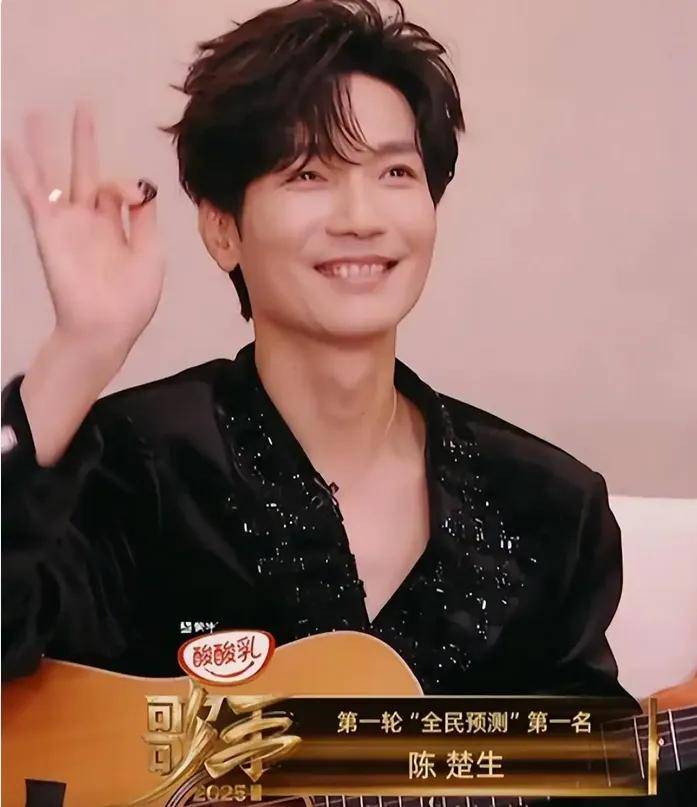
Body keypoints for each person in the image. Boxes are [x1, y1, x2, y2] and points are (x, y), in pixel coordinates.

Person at [1, 0, 635, 714]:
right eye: (308, 174)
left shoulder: (549, 507)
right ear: (222, 230)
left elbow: (593, 754)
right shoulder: (133, 467)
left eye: (395, 174)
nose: (361, 218)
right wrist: (80, 350)